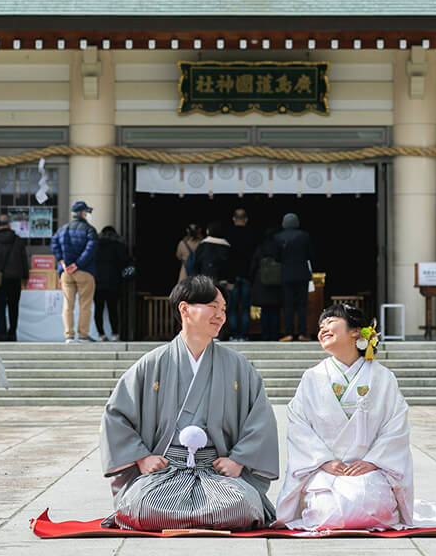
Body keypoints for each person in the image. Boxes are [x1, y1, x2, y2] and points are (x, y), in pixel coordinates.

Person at [277, 303, 436, 531]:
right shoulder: (312, 377)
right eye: (320, 325)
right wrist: (323, 460)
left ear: (356, 331)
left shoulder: (382, 377)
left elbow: (396, 427)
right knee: (328, 509)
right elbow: (299, 426)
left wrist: (373, 461)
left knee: (372, 503)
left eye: (330, 321)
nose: (323, 328)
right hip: (325, 471)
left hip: (369, 471)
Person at [99, 275, 279, 531]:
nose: (221, 315)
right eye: (213, 307)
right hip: (164, 472)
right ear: (184, 309)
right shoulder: (152, 363)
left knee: (243, 505)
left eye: (224, 310)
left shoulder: (238, 367)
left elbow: (261, 419)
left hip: (217, 473)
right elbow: (116, 415)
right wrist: (141, 458)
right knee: (140, 505)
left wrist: (238, 460)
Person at [52, 200, 99, 343]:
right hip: (85, 271)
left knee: (68, 304)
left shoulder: (62, 229)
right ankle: (83, 335)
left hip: (66, 272)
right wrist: (77, 264)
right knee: (85, 304)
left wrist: (62, 262)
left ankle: (69, 335)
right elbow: (90, 249)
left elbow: (54, 244)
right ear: (83, 213)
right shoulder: (90, 230)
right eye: (88, 212)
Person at [0, 213, 29, 342]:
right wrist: (25, 277)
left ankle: (2, 333)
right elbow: (24, 260)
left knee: (0, 306)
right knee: (14, 307)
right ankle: (12, 333)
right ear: (9, 225)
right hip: (15, 277)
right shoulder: (18, 240)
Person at [273, 213, 314, 342]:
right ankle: (302, 333)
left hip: (286, 274)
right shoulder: (304, 236)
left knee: (288, 304)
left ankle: (289, 333)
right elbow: (310, 254)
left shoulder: (278, 237)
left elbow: (276, 257)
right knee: (302, 304)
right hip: (302, 273)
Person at [94, 225, 132, 342]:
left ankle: (101, 334)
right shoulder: (118, 245)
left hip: (97, 282)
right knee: (113, 309)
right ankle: (115, 334)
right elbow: (125, 262)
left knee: (98, 309)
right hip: (113, 282)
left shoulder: (95, 246)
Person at [225, 209, 257, 341]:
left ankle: (233, 334)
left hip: (232, 276)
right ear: (246, 219)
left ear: (234, 219)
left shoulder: (228, 235)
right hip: (246, 275)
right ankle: (243, 335)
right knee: (245, 308)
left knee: (232, 307)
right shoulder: (252, 235)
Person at [249, 227, 283, 342]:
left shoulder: (260, 248)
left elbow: (253, 265)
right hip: (277, 284)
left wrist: (252, 279)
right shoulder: (279, 248)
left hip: (262, 283)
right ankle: (275, 335)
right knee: (275, 311)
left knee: (265, 311)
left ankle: (265, 335)